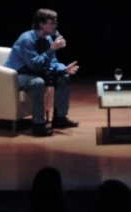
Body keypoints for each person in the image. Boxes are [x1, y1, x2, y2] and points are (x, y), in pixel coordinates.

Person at [5, 8, 80, 136]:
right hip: (14, 75)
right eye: (52, 23)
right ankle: (38, 124)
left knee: (64, 77)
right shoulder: (26, 39)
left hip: (33, 73)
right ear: (42, 24)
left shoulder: (48, 39)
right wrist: (51, 49)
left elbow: (53, 63)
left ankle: (60, 118)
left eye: (56, 22)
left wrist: (64, 69)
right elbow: (36, 65)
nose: (55, 26)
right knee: (37, 83)